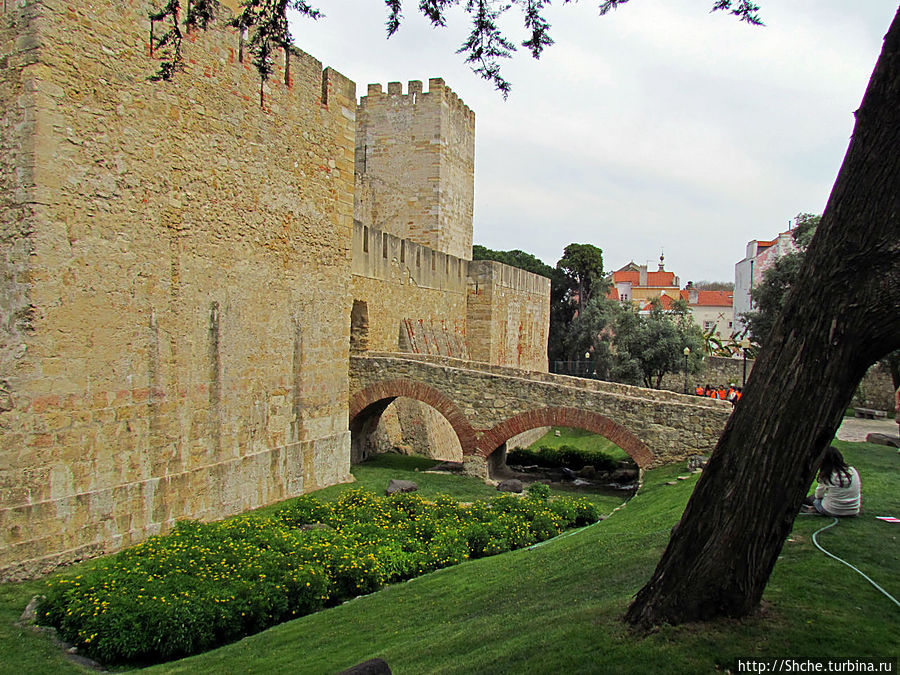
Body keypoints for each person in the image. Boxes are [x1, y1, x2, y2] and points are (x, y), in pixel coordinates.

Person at [803, 446, 861, 517]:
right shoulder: (852, 471)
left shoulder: (827, 475)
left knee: (813, 499)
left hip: (832, 510)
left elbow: (818, 495)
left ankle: (808, 507)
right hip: (853, 510)